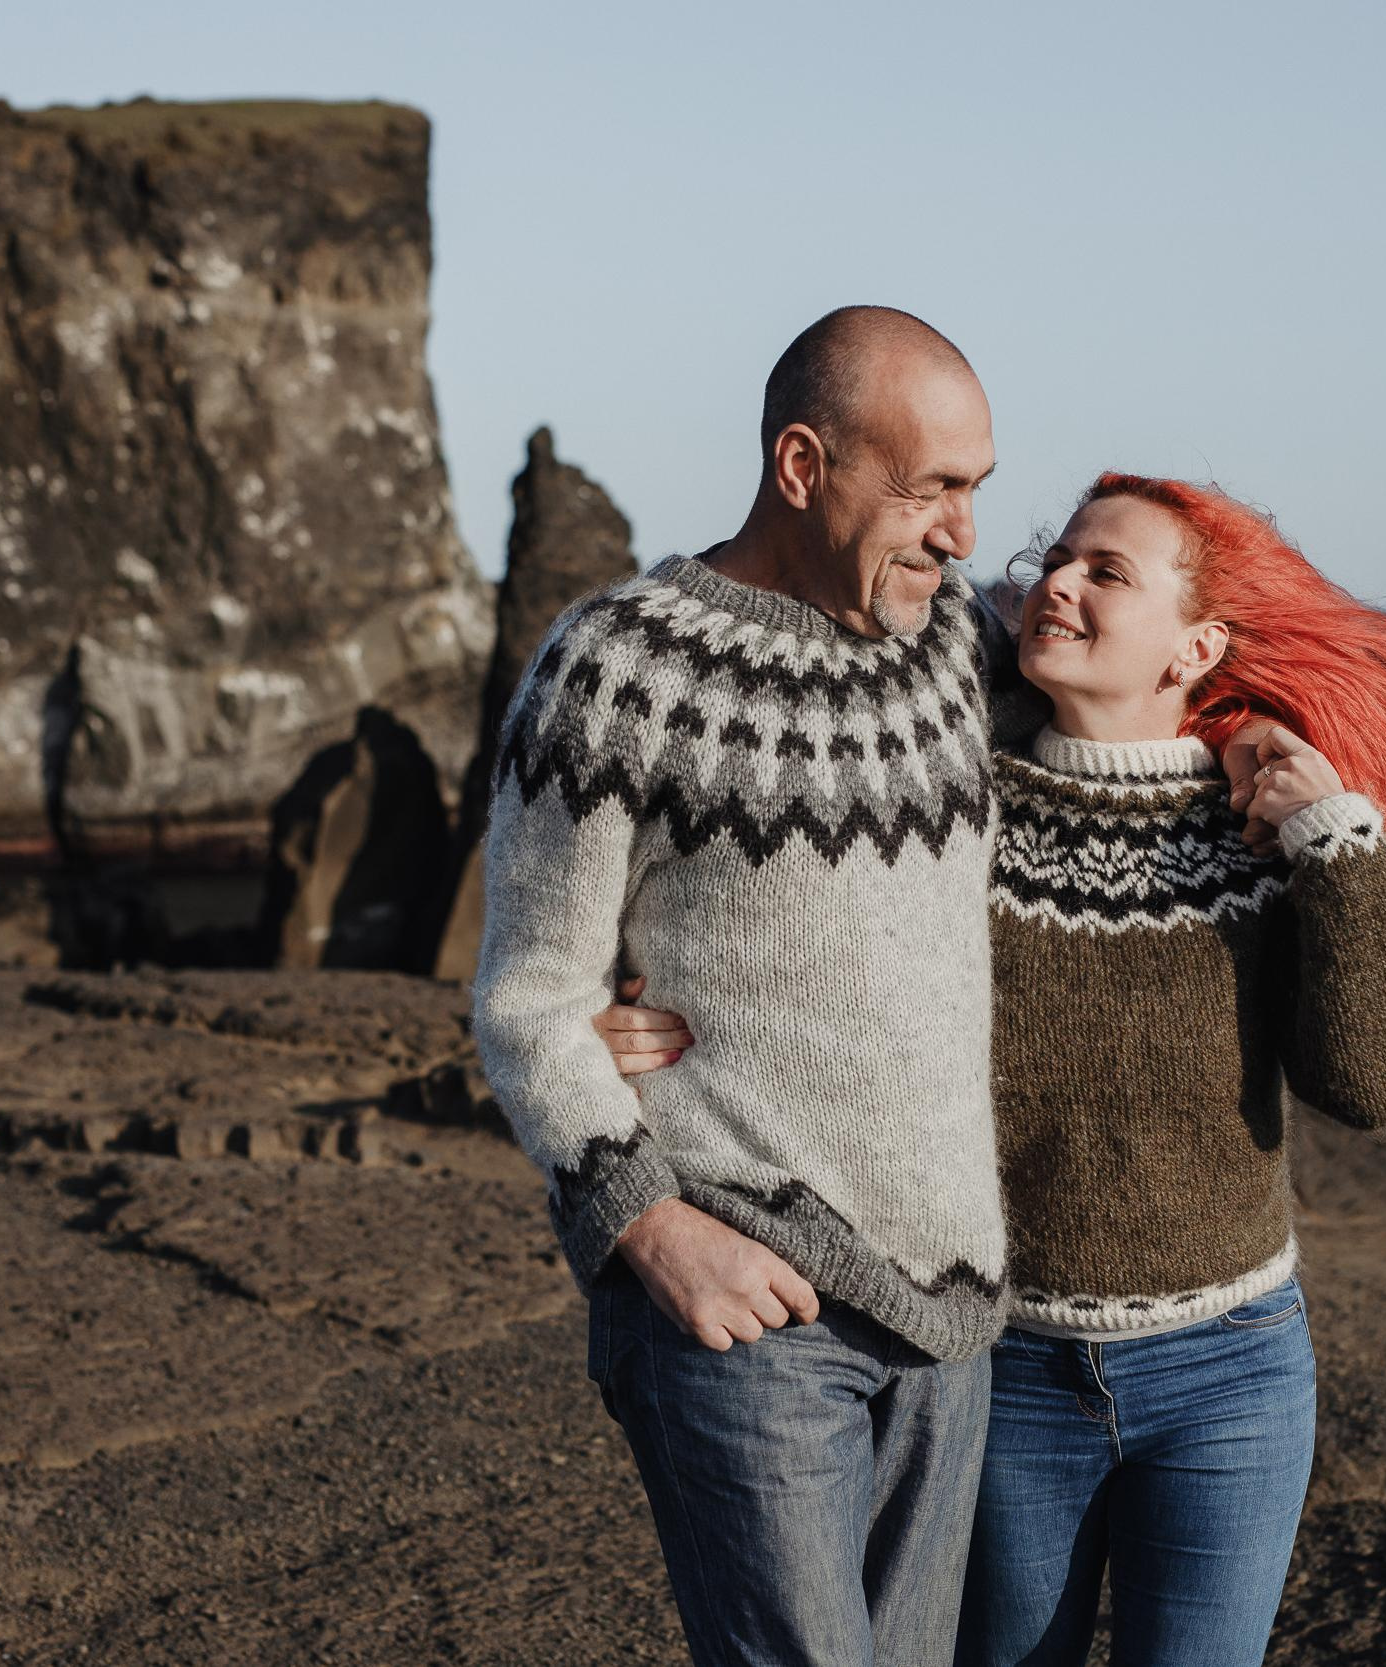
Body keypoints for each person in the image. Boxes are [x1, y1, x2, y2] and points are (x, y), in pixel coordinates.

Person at [601, 472, 1386, 1665]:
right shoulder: (949, 809)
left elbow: (1366, 1085)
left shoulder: (1264, 834)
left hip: (1229, 1375)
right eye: (1058, 557)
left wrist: (1336, 842)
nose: (1057, 582)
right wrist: (633, 1012)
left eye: (1106, 572)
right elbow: (790, 949)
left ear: (1199, 643)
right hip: (1002, 1370)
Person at [469, 305, 1011, 1667]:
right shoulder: (614, 672)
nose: (960, 532)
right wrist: (642, 1223)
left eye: (975, 492)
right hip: (743, 1296)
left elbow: (1153, 634)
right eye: (929, 487)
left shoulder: (957, 647)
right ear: (802, 465)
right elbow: (531, 996)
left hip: (952, 1313)